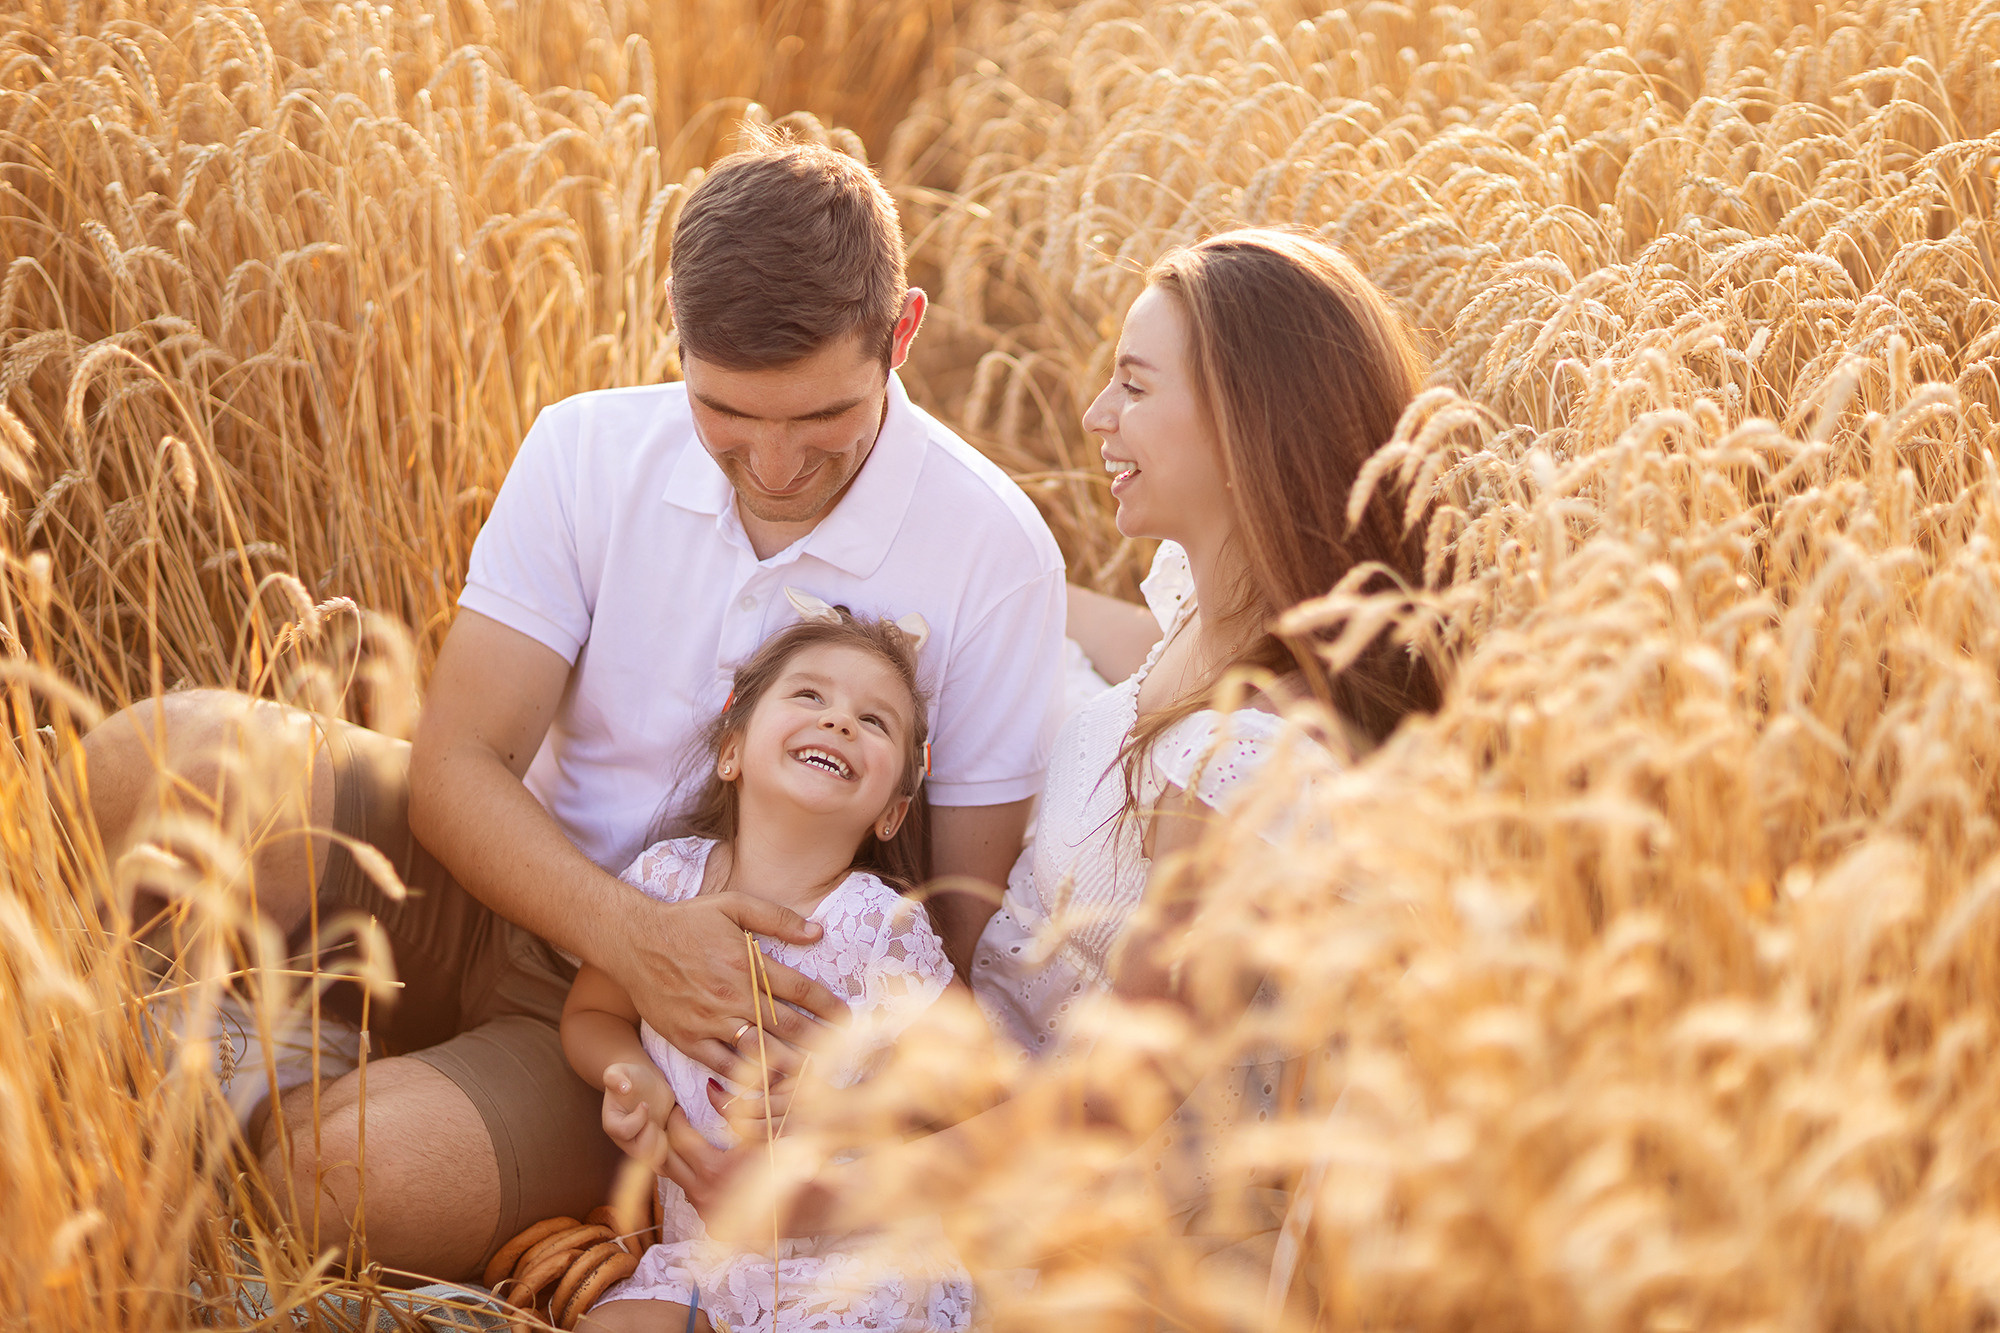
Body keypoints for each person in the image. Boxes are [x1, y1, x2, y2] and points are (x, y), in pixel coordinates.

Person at [73, 125, 1066, 1280]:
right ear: (678, 337)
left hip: (670, 1033)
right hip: (496, 867)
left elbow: (954, 926)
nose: (777, 466)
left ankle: (359, 1093)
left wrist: (725, 1102)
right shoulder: (587, 448)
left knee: (344, 1184)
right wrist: (633, 933)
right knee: (149, 762)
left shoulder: (994, 553)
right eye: (727, 418)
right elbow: (454, 765)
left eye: (820, 423)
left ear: (902, 333)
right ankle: (327, 1047)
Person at [666, 227, 1441, 1240]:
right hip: (934, 1106)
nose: (1094, 416)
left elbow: (1117, 1092)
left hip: (1024, 1212)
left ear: (1244, 421)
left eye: (1131, 384)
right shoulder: (1195, 624)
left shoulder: (1249, 763)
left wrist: (816, 1204)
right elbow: (1044, 610)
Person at [564, 606, 967, 1333]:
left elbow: (985, 1104)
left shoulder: (885, 931)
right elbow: (591, 1015)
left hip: (855, 1265)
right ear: (732, 751)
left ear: (893, 814)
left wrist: (854, 1115)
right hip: (704, 1257)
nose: (841, 721)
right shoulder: (664, 884)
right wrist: (632, 1077)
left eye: (875, 721)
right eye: (810, 696)